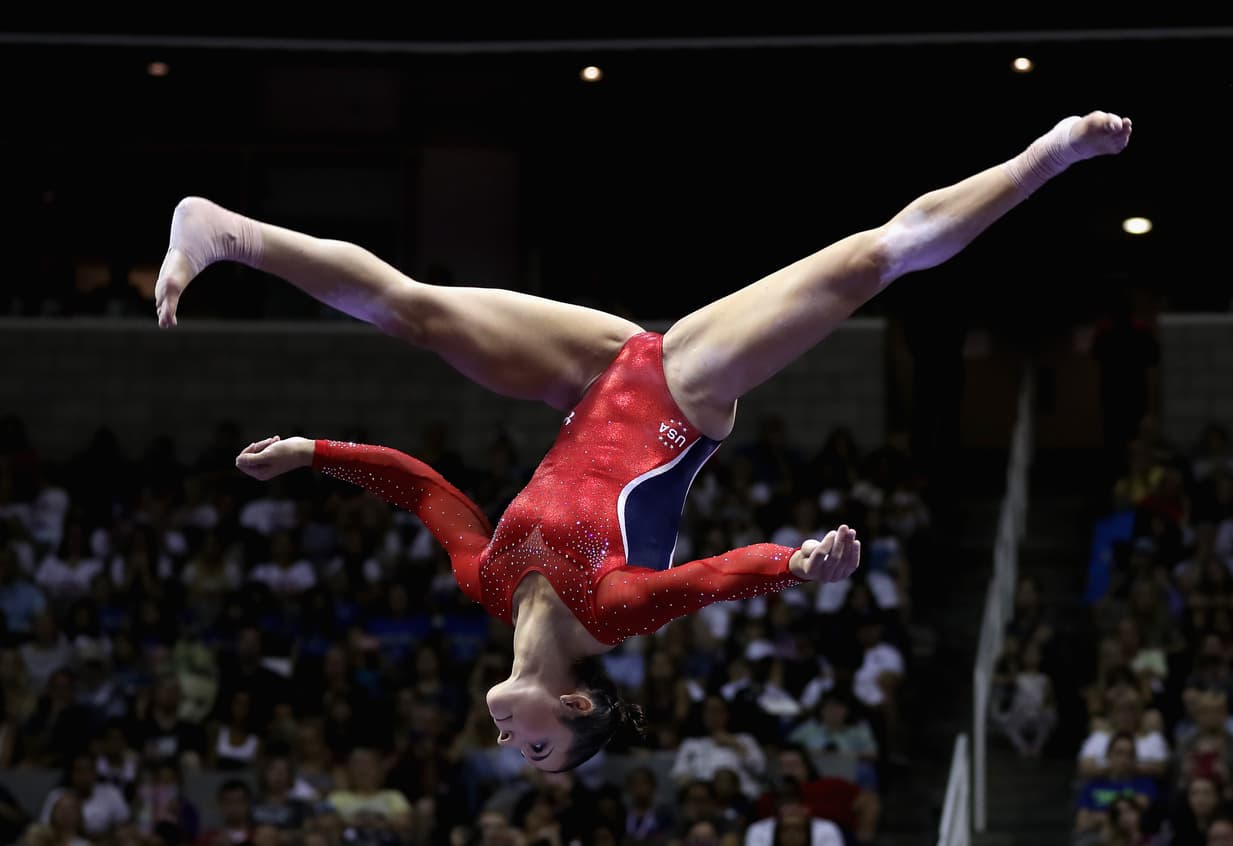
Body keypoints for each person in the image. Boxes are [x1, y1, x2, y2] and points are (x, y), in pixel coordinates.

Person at [155, 111, 1133, 772]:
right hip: (678, 391)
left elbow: (420, 492)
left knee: (417, 314)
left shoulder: (488, 585)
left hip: (590, 374)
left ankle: (226, 231)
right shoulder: (613, 613)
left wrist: (311, 453)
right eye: (533, 751)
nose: (510, 744)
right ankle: (1044, 157)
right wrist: (800, 564)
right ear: (572, 710)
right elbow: (715, 576)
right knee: (872, 261)